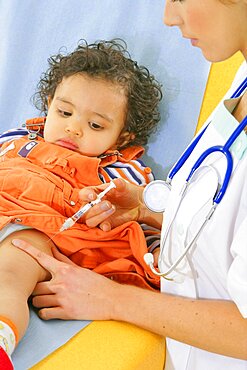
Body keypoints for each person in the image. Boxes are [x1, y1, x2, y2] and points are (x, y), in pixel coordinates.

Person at [10, 0, 247, 369]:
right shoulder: (241, 76)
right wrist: (148, 208)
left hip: (36, 234)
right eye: (64, 111)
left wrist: (113, 298)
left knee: (17, 259)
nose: (168, 17)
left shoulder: (117, 167)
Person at [0, 38, 163, 369]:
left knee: (11, 269)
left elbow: (144, 219)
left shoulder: (121, 170)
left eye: (95, 125)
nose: (72, 128)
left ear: (122, 137)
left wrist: (158, 251)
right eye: (63, 112)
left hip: (41, 229)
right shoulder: (16, 138)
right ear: (48, 104)